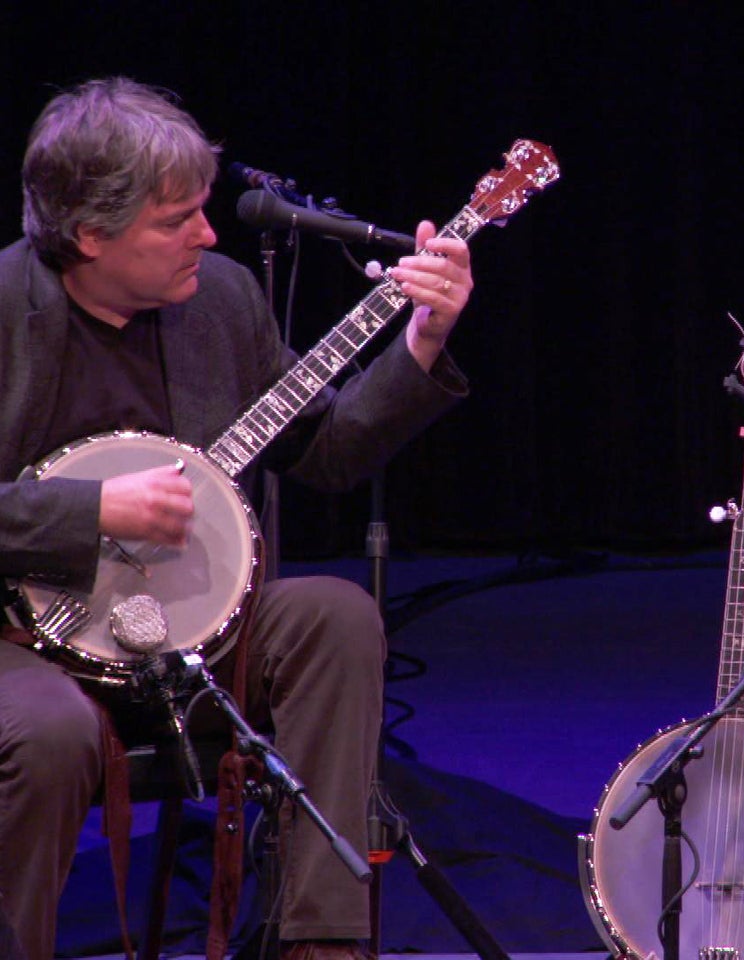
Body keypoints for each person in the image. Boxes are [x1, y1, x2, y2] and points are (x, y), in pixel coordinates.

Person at [0, 78, 475, 960]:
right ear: (91, 236)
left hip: (189, 633)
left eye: (204, 210)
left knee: (332, 615)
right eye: (176, 220)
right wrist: (89, 510)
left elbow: (325, 451)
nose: (210, 235)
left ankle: (319, 942)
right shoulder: (3, 313)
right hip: (20, 644)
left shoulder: (218, 300)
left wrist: (422, 344)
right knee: (50, 730)